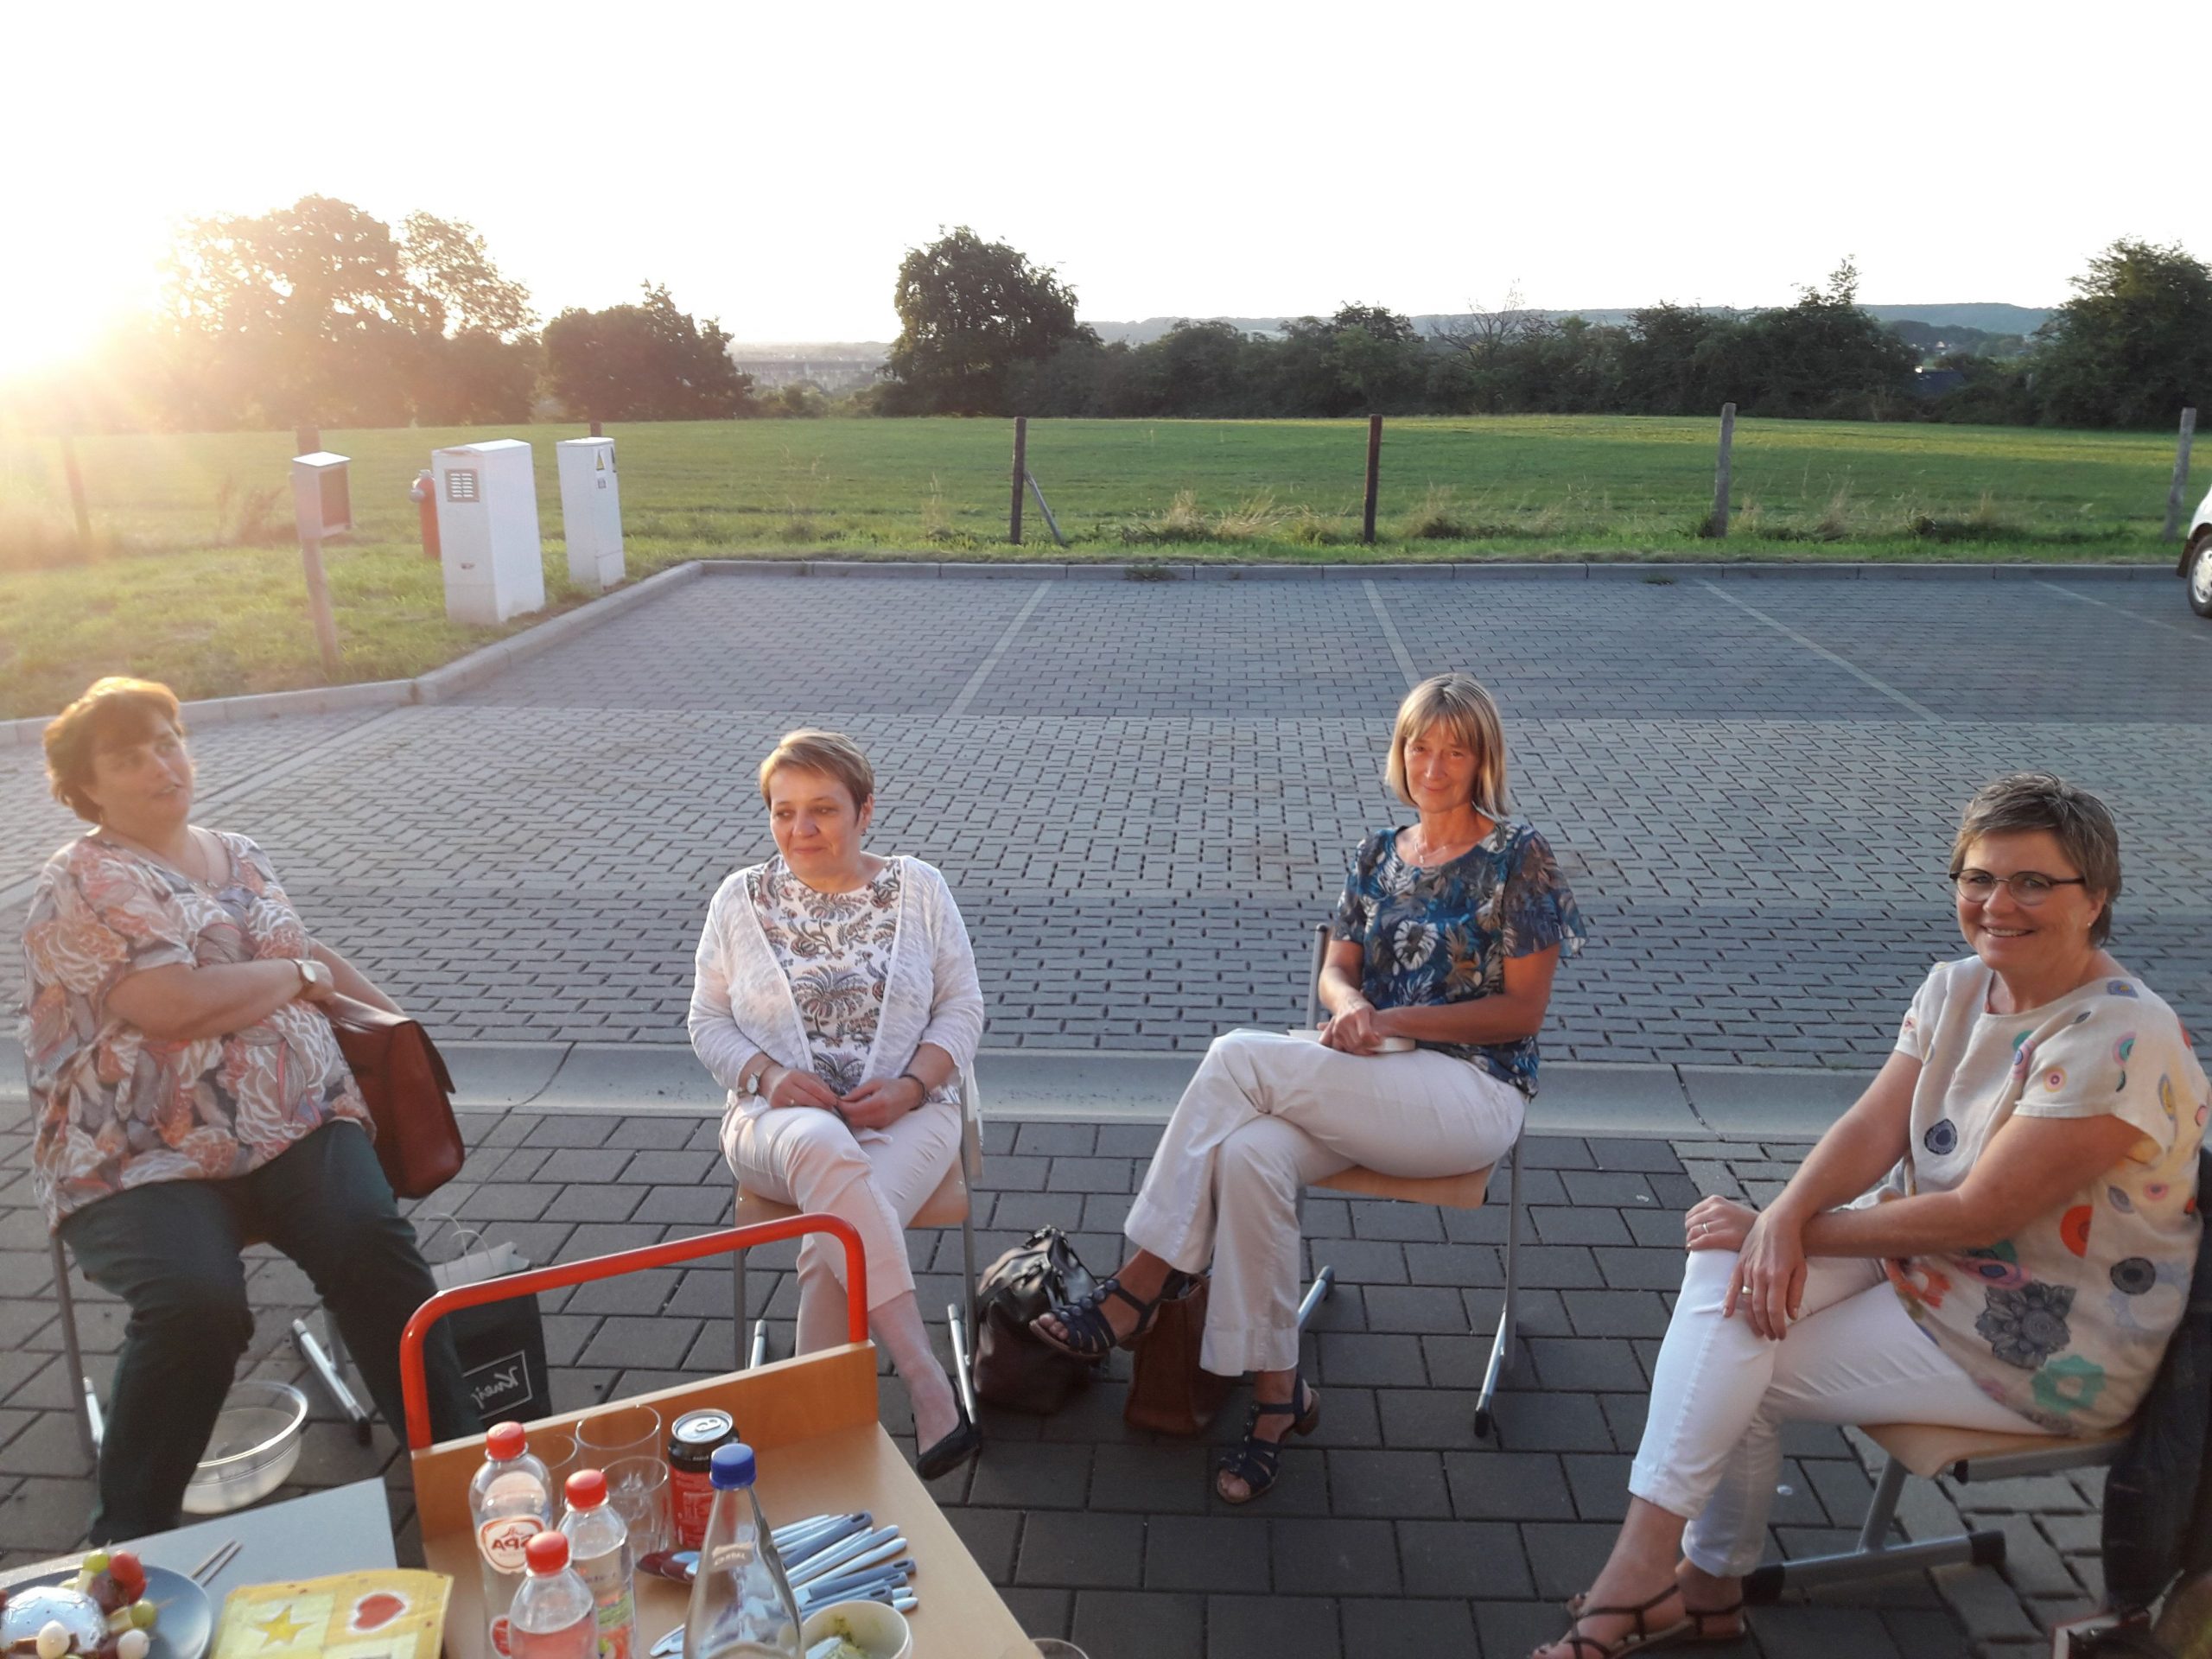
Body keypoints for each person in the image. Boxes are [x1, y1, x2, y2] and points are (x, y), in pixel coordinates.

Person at [1536, 772, 2206, 1659]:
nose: (1997, 903)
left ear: (2096, 899)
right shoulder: (1959, 986)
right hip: (1926, 1262)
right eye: (1978, 878)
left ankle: (1671, 1583)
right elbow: (1870, 1126)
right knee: (1730, 1284)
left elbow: (1973, 1215)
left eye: (2032, 883)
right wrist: (1781, 1214)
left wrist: (1781, 1230)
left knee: (1737, 1360)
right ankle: (1684, 1585)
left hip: (2039, 1331)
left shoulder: (2121, 1039)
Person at [1033, 672, 1585, 1503]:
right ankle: (1276, 1396)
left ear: (1483, 762)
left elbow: (1522, 1011)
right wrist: (1352, 1005)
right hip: (1374, 1079)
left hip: (1472, 1090)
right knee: (1249, 1156)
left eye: (1455, 752)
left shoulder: (1519, 856)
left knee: (1236, 1056)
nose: (1433, 767)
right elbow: (1337, 969)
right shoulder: (1378, 852)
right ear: (1401, 752)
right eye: (1420, 747)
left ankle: (1139, 1285)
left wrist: (1393, 1020)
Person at [19, 677, 478, 1539]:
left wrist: (407, 1042)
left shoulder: (239, 850)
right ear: (87, 788)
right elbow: (173, 1004)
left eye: (168, 743)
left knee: (372, 1249)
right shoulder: (81, 878)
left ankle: (465, 1477)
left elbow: (307, 952)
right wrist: (295, 978)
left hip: (295, 1120)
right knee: (197, 1305)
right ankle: (127, 1543)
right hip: (141, 1149)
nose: (162, 766)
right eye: (129, 758)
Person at [690, 728, 985, 1480]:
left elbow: (963, 1008)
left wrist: (911, 1087)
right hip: (771, 1123)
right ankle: (926, 1381)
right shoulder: (739, 899)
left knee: (833, 1240)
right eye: (783, 811)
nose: (802, 829)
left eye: (823, 809)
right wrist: (767, 1075)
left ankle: (812, 1444)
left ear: (865, 811)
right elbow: (707, 1021)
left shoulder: (919, 887)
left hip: (913, 1115)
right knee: (822, 1151)